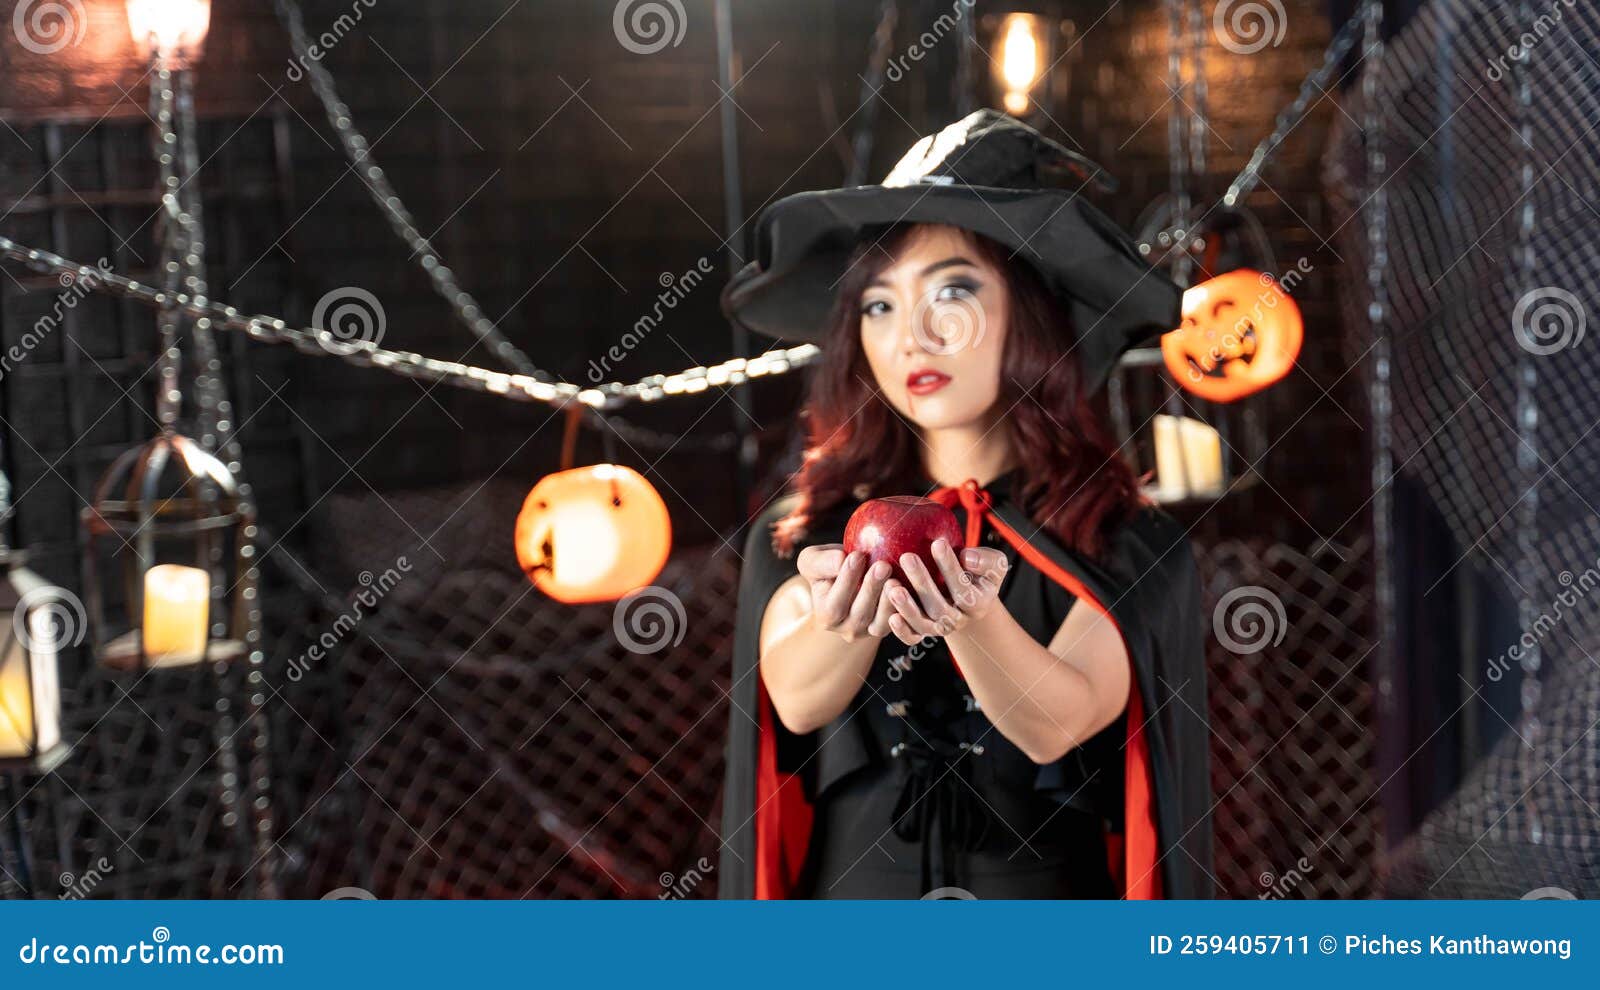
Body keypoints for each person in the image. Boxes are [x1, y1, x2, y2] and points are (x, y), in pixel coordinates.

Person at [718, 110, 1213, 900]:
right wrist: (847, 617)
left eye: (952, 289)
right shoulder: (806, 532)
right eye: (879, 304)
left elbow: (1055, 721)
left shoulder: (1127, 542)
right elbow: (797, 699)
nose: (912, 333)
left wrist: (969, 615)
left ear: (1028, 311)